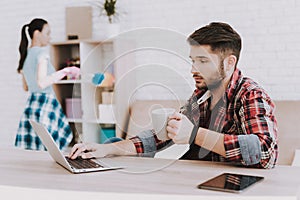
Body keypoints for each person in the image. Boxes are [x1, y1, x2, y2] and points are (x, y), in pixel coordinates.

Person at [69, 22, 278, 169]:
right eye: (193, 60)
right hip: (198, 181)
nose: (193, 69)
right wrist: (107, 150)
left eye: (203, 61)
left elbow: (264, 152)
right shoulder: (200, 97)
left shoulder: (250, 95)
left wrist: (195, 134)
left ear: (230, 62)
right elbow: (160, 136)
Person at [15, 18, 80, 150]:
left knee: (35, 147)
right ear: (37, 34)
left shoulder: (25, 55)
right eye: (47, 33)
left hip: (32, 104)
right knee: (49, 147)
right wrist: (67, 71)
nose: (49, 38)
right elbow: (42, 83)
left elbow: (26, 87)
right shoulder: (41, 53)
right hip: (46, 103)